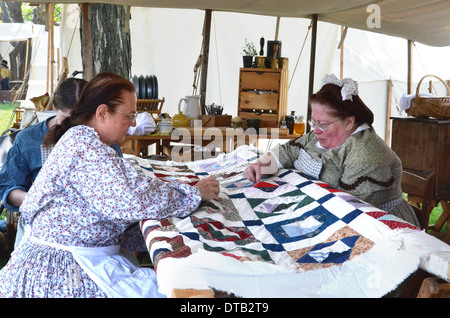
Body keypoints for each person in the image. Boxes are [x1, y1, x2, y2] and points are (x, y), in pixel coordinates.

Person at [0, 72, 220, 298]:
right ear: (102, 113)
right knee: (188, 293)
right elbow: (132, 199)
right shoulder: (86, 147)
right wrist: (193, 193)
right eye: (129, 115)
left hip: (72, 257)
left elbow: (124, 198)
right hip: (62, 270)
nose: (133, 123)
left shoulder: (84, 140)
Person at [243, 74, 419, 227]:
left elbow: (347, 209)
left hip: (378, 228)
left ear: (349, 122)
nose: (316, 130)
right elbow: (290, 150)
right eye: (314, 122)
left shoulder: (367, 156)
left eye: (323, 124)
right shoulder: (321, 136)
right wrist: (261, 165)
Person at [0, 78, 94, 249]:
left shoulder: (99, 136)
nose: (75, 127)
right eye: (67, 118)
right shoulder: (29, 139)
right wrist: (40, 199)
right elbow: (7, 186)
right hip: (44, 223)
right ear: (54, 108)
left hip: (92, 225)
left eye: (83, 119)